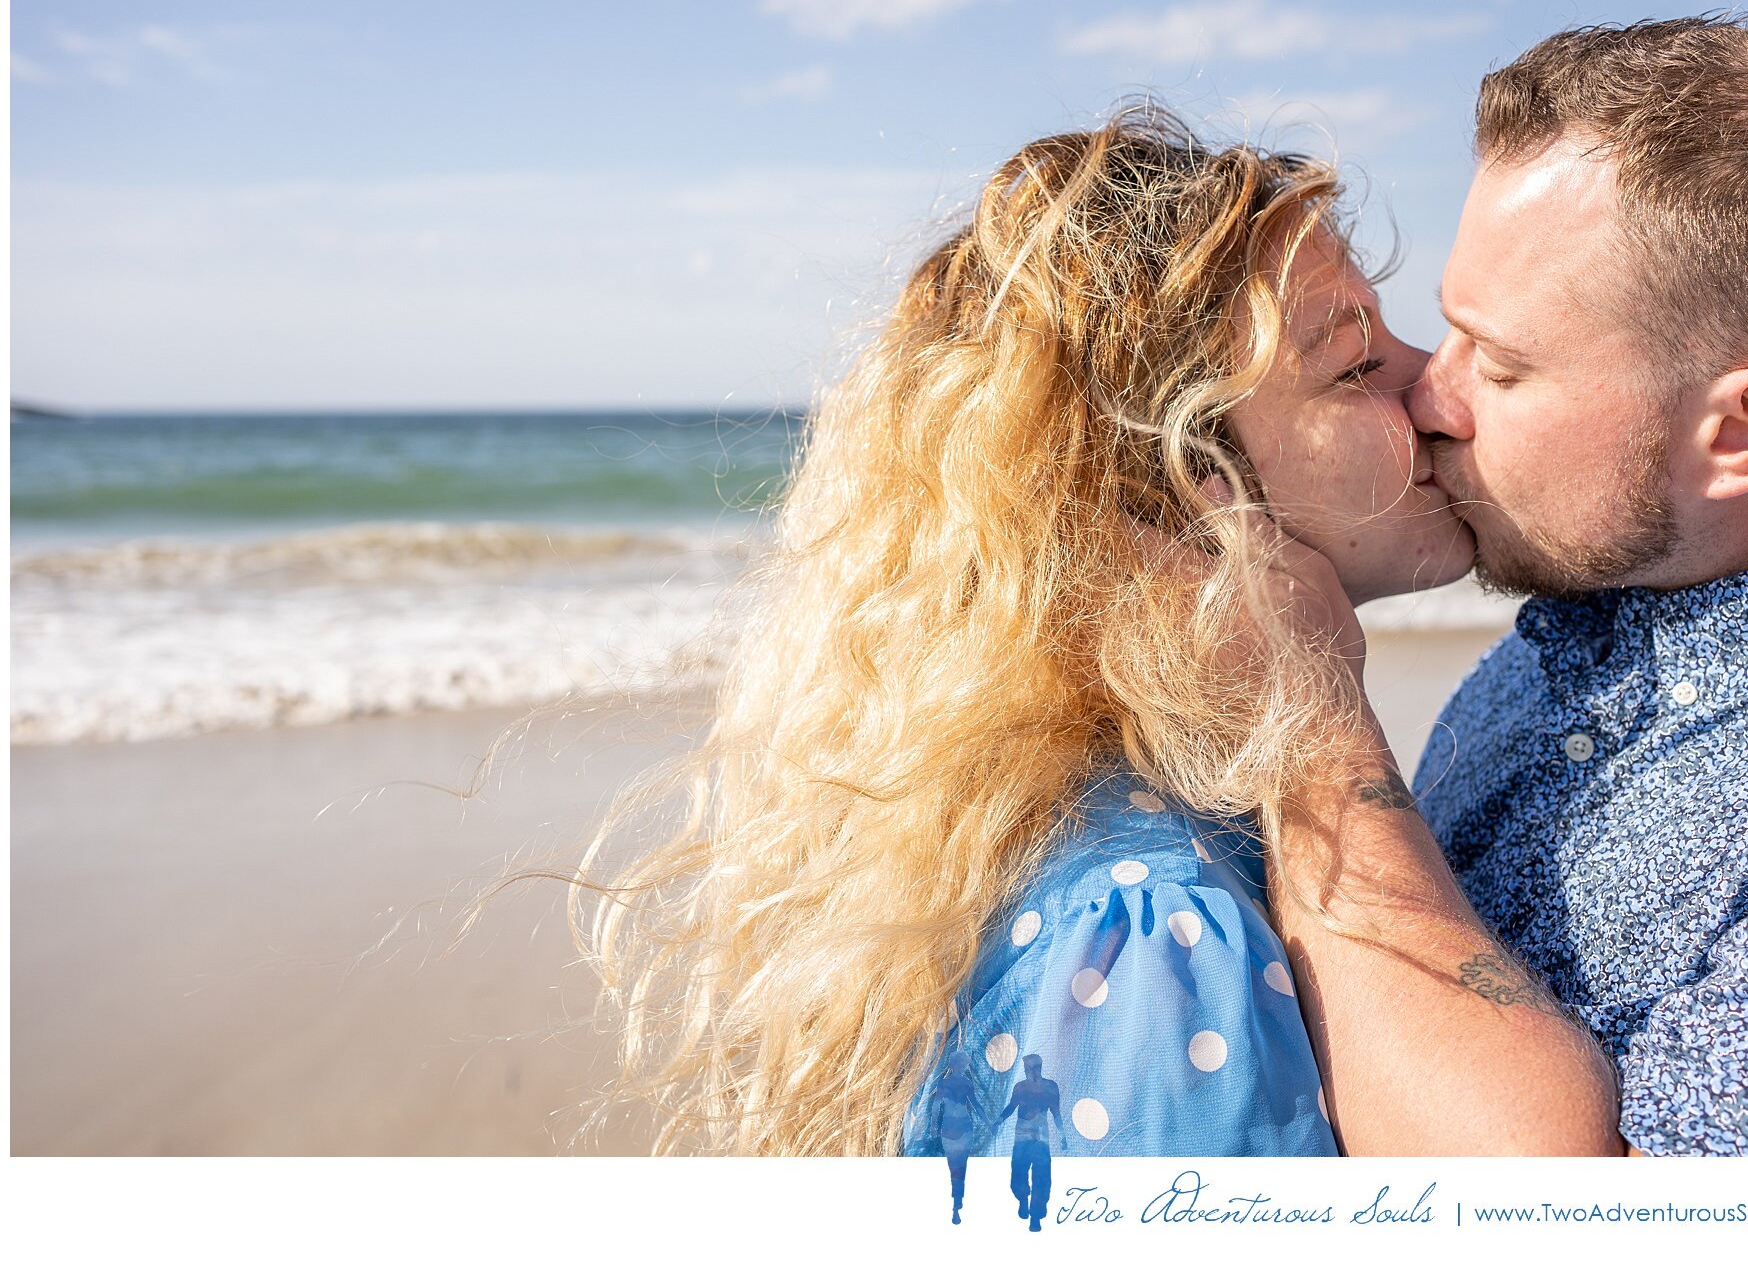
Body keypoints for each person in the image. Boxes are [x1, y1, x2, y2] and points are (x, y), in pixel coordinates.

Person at [577, 101, 1505, 1155]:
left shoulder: (1136, 821)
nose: (1433, 382)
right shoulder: (1159, 933)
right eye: (1351, 364)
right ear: (1179, 491)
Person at [1249, 16, 1748, 1156]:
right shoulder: (1574, 627)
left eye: (1498, 363)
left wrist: (1309, 736)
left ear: (1741, 431)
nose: (1428, 398)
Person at [997, 1056, 1064, 1232]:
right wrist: (999, 1120)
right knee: (1018, 1174)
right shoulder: (1020, 1088)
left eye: (1034, 1068)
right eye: (1028, 1068)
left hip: (1041, 1139)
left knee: (1041, 1178)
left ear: (1040, 1067)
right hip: (1022, 1137)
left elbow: (1056, 1113)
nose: (1031, 1071)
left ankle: (1036, 1215)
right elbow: (1011, 1107)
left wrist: (1063, 1135)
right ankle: (1022, 1199)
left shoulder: (1050, 1087)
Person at [926, 1054, 984, 1223]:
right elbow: (937, 1105)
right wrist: (933, 1126)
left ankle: (957, 1205)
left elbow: (975, 1104)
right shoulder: (950, 1083)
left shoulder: (961, 1083)